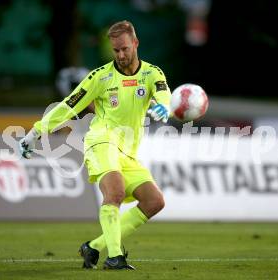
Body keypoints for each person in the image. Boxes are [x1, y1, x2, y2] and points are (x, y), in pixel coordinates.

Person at [19, 20, 171, 270]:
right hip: (101, 140)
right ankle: (115, 258)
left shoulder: (152, 73)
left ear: (135, 43)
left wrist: (165, 104)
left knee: (154, 201)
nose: (120, 55)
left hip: (127, 152)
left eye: (124, 49)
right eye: (116, 50)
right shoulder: (100, 77)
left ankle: (94, 247)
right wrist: (36, 131)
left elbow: (162, 91)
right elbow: (69, 104)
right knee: (115, 193)